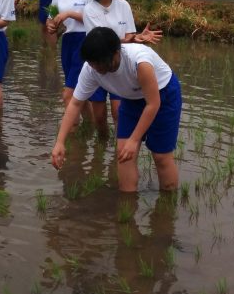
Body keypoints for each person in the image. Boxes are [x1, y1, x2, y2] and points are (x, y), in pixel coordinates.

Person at [51, 27, 181, 193]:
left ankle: (167, 207)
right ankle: (127, 205)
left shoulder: (139, 62)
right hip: (131, 98)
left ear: (116, 52)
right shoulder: (91, 68)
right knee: (123, 153)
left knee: (161, 156)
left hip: (163, 96)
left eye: (100, 63)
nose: (97, 68)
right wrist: (60, 142)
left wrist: (134, 140)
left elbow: (152, 105)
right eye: (93, 63)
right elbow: (75, 104)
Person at [82, 0, 162, 133]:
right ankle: (101, 146)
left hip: (120, 64)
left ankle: (121, 146)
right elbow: (100, 42)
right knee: (99, 116)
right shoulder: (89, 9)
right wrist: (130, 39)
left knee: (119, 112)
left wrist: (138, 37)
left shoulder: (123, 5)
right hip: (99, 64)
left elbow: (130, 36)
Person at [46, 0, 90, 109]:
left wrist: (69, 14)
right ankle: (89, 129)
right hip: (67, 42)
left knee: (68, 94)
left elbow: (95, 18)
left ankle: (70, 132)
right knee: (79, 92)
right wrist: (51, 26)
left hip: (86, 41)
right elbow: (51, 17)